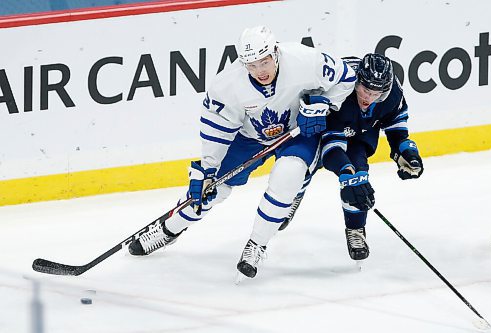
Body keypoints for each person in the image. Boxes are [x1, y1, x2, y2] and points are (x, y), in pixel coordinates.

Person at [127, 25, 356, 280]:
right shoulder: (228, 85)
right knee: (213, 189)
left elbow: (346, 78)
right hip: (250, 138)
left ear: (276, 52)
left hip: (297, 134)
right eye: (252, 65)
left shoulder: (305, 61)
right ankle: (168, 229)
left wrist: (325, 104)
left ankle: (256, 245)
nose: (260, 71)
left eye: (264, 62)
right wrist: (208, 169)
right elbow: (216, 132)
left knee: (287, 176)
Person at [279, 53, 424, 262]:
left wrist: (406, 150)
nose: (369, 97)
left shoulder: (391, 93)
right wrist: (345, 173)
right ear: (357, 82)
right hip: (322, 125)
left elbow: (395, 123)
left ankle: (355, 229)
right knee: (304, 166)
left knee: (360, 175)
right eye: (366, 90)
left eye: (376, 93)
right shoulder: (341, 90)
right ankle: (293, 197)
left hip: (360, 132)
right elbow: (331, 145)